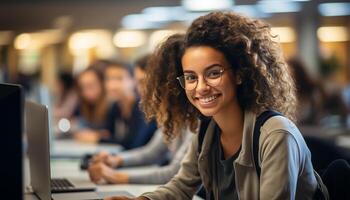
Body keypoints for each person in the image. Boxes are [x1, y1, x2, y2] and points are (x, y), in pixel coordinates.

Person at [106, 12, 328, 200]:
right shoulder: (206, 130)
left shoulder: (276, 134)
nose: (200, 87)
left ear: (240, 73)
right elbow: (181, 188)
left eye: (213, 73)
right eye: (191, 77)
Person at [87, 53, 193, 185]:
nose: (144, 90)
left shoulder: (194, 120)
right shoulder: (170, 115)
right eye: (140, 83)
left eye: (146, 82)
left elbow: (176, 172)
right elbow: (152, 152)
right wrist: (116, 160)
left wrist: (118, 176)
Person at [102, 61, 154, 149]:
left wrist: (99, 139)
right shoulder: (115, 107)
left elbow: (135, 143)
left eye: (119, 79)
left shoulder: (142, 107)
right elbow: (108, 134)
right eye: (108, 79)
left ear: (133, 81)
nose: (112, 85)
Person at [72, 67, 109, 143]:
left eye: (90, 86)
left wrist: (97, 136)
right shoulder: (84, 105)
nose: (86, 92)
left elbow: (111, 135)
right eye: (82, 87)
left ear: (102, 84)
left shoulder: (113, 106)